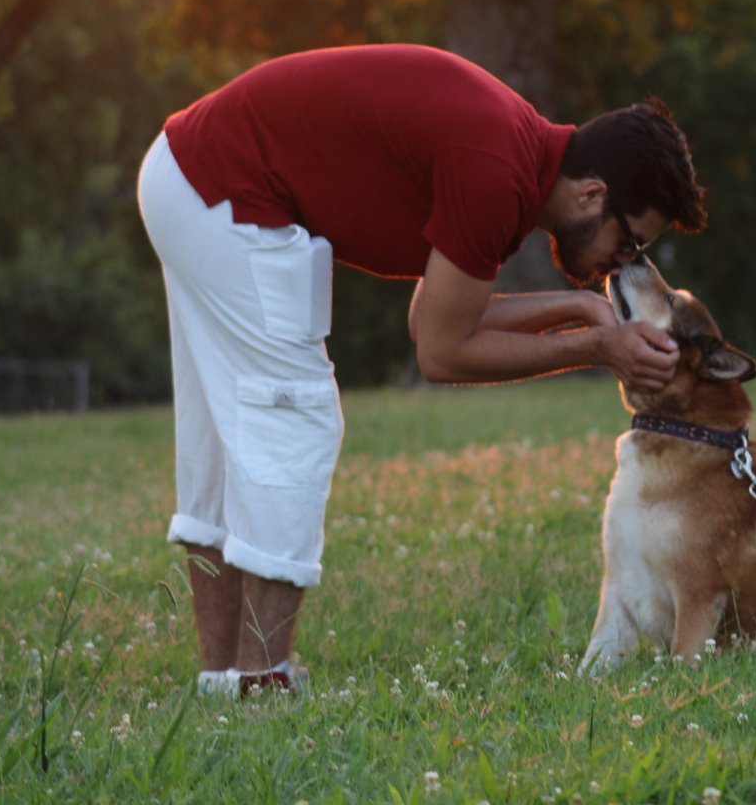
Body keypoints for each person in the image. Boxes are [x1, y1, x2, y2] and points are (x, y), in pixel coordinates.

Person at [137, 43, 706, 696]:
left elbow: (428, 319)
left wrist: (580, 310)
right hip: (223, 191)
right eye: (627, 240)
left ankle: (224, 680)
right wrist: (593, 347)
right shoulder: (497, 170)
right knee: (294, 422)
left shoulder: (514, 159)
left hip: (188, 178)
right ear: (592, 192)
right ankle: (260, 684)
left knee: (227, 436)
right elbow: (441, 352)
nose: (619, 262)